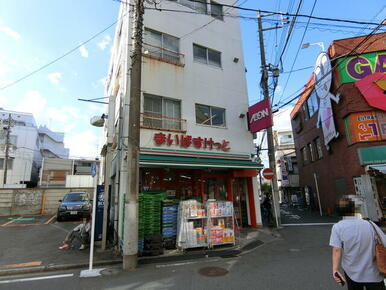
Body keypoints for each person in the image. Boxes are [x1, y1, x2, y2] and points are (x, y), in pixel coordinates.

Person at [329, 196, 386, 290]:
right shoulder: (370, 224)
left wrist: (335, 269)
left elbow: (336, 250)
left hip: (351, 272)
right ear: (355, 209)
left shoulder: (338, 227)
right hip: (373, 272)